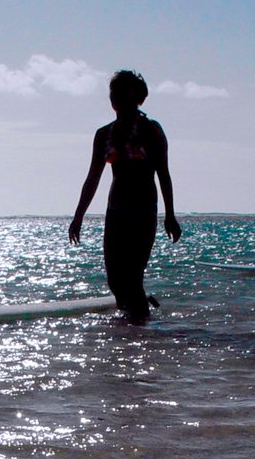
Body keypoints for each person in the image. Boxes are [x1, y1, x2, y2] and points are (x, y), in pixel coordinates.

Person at [68, 70, 181, 319]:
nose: (116, 98)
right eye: (114, 93)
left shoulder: (151, 130)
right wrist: (78, 217)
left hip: (143, 212)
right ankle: (132, 334)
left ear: (137, 98)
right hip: (116, 212)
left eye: (123, 93)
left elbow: (163, 173)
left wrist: (170, 215)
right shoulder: (103, 134)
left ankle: (141, 332)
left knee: (133, 276)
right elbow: (93, 178)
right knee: (115, 281)